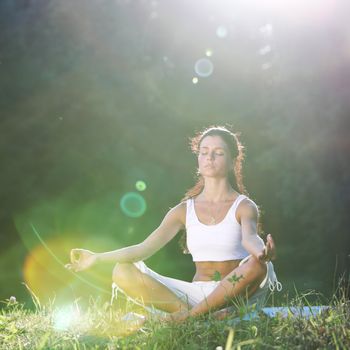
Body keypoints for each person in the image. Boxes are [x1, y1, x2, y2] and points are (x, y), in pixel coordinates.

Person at [66, 126, 281, 323]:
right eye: (204, 152)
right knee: (122, 270)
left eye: (218, 153)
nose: (209, 158)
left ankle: (184, 318)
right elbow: (142, 249)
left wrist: (261, 252)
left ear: (233, 160)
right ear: (198, 158)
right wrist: (97, 257)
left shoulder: (244, 206)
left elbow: (250, 238)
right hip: (196, 294)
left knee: (259, 264)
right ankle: (198, 316)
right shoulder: (182, 211)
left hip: (236, 294)